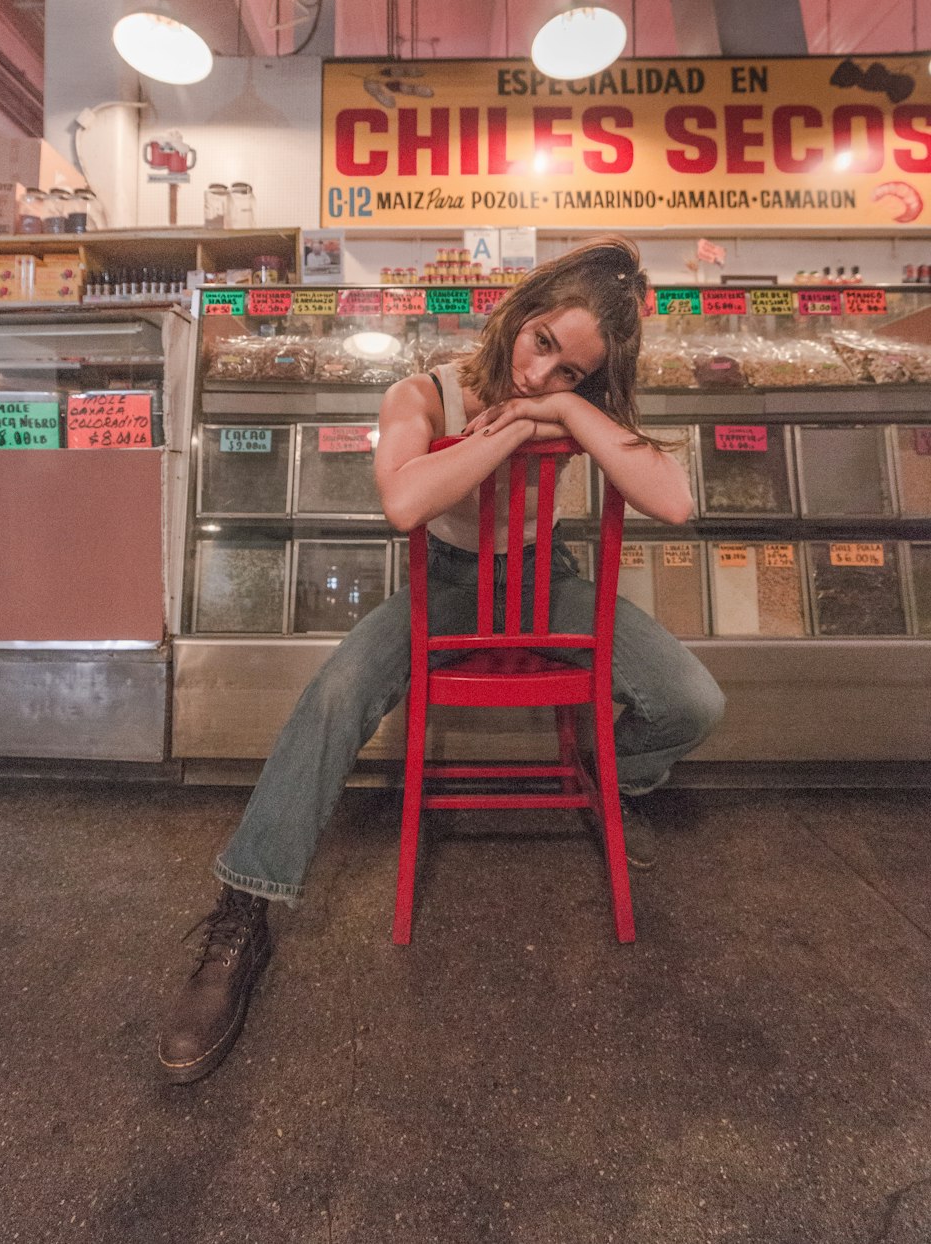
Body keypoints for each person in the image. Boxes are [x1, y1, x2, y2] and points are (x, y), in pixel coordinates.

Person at [158, 236, 725, 1084]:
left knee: (691, 701)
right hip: (446, 587)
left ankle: (613, 778)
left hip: (547, 580)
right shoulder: (419, 393)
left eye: (571, 374)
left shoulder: (571, 406)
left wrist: (568, 417)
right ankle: (244, 908)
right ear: (518, 312)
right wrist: (515, 430)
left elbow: (675, 503)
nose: (540, 376)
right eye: (542, 345)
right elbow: (405, 502)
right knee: (338, 692)